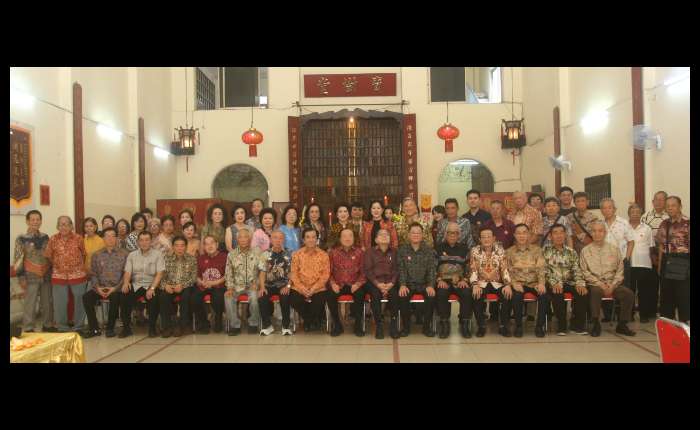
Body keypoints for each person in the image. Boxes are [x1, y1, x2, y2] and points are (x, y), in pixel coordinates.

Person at [579, 221, 636, 337]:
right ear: (591, 233)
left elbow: (620, 271)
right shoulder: (585, 251)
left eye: (600, 231)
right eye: (594, 231)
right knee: (595, 292)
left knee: (628, 294)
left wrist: (613, 285)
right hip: (595, 284)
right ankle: (595, 323)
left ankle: (622, 324)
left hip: (612, 284)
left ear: (605, 233)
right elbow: (584, 272)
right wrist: (600, 284)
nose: (597, 234)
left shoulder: (614, 249)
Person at [13, 210, 55, 333]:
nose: (35, 222)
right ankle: (28, 327)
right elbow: (18, 258)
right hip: (29, 275)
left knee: (47, 302)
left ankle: (47, 324)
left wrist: (52, 271)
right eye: (32, 219)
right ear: (27, 221)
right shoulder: (21, 238)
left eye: (38, 219)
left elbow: (50, 256)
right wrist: (21, 277)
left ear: (41, 221)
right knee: (30, 303)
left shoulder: (46, 237)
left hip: (46, 274)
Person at [81, 227, 128, 338]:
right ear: (103, 238)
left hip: (117, 288)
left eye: (113, 236)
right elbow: (94, 274)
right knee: (86, 297)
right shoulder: (96, 255)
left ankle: (110, 328)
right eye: (107, 236)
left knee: (116, 297)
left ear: (116, 238)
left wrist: (115, 288)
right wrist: (98, 288)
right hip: (101, 287)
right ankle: (94, 328)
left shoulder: (124, 254)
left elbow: (126, 274)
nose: (110, 239)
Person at [44, 216, 88, 334]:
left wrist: (76, 267)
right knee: (60, 302)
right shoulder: (53, 239)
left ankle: (78, 326)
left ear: (71, 226)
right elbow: (48, 256)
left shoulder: (78, 238)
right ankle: (62, 327)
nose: (64, 227)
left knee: (80, 301)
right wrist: (58, 265)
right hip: (59, 276)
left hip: (78, 275)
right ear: (57, 226)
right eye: (61, 224)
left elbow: (83, 254)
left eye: (66, 224)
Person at [543, 224, 589, 335]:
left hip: (569, 282)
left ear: (565, 235)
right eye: (555, 233)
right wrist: (554, 283)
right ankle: (561, 325)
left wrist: (580, 283)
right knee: (557, 293)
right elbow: (544, 271)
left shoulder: (571, 252)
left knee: (582, 292)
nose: (559, 235)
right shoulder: (545, 251)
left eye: (561, 232)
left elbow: (577, 269)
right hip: (553, 283)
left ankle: (577, 325)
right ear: (550, 236)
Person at [506, 224, 548, 338]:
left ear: (529, 234)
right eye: (518, 233)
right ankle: (518, 326)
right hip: (518, 283)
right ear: (514, 235)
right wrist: (513, 283)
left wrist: (541, 283)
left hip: (534, 283)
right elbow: (506, 271)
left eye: (524, 232)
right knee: (517, 296)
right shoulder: (509, 252)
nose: (522, 235)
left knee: (544, 295)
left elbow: (541, 268)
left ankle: (539, 326)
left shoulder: (537, 250)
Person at [469, 227, 512, 337]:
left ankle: (503, 326)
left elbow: (504, 268)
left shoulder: (500, 250)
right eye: (483, 237)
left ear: (494, 238)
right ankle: (481, 326)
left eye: (489, 236)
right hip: (481, 282)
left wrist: (507, 284)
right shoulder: (474, 251)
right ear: (480, 239)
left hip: (497, 283)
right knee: (476, 295)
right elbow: (473, 269)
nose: (486, 239)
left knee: (507, 295)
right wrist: (474, 284)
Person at [121, 231, 165, 337]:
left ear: (151, 241)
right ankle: (126, 328)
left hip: (152, 284)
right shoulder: (132, 255)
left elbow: (160, 273)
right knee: (124, 296)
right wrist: (126, 283)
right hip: (136, 284)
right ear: (138, 242)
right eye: (141, 240)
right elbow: (127, 271)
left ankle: (152, 328)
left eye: (147, 240)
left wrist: (152, 288)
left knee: (154, 298)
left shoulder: (158, 254)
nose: (144, 243)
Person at [435, 222, 474, 339]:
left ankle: (464, 322)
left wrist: (465, 280)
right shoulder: (438, 248)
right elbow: (432, 267)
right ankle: (444, 323)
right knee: (441, 293)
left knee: (467, 293)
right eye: (450, 233)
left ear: (459, 235)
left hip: (460, 281)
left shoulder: (464, 249)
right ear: (445, 234)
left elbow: (469, 268)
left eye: (455, 233)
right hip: (443, 280)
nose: (452, 235)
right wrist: (438, 280)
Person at [397, 223, 437, 337]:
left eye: (418, 233)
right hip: (408, 284)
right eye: (413, 233)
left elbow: (431, 269)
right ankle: (406, 328)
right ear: (409, 235)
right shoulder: (402, 250)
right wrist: (402, 284)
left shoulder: (428, 250)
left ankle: (426, 328)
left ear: (422, 235)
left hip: (424, 284)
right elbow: (401, 269)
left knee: (431, 296)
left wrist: (430, 285)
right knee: (402, 296)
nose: (416, 235)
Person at [656, 196, 690, 324]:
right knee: (666, 297)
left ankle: (685, 324)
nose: (670, 208)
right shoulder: (664, 224)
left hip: (683, 262)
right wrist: (660, 265)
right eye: (668, 206)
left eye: (673, 205)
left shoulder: (687, 223)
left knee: (683, 296)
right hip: (667, 261)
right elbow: (660, 246)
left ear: (680, 206)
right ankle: (668, 324)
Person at [327, 228, 366, 337]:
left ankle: (358, 325)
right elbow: (328, 272)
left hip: (354, 284)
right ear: (340, 239)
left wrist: (358, 284)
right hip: (338, 284)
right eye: (344, 236)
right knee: (330, 295)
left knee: (360, 294)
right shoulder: (333, 253)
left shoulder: (360, 252)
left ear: (354, 238)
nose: (347, 238)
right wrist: (333, 284)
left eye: (350, 236)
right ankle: (337, 325)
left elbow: (364, 272)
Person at [289, 227, 330, 332]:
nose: (311, 240)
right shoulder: (297, 254)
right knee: (294, 300)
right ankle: (311, 320)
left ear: (317, 239)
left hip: (318, 288)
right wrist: (302, 288)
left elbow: (325, 275)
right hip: (299, 287)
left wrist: (313, 289)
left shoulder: (324, 255)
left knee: (319, 301)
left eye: (313, 237)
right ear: (303, 240)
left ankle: (308, 321)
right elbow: (294, 274)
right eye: (308, 237)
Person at [600, 198, 635, 317]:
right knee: (606, 287)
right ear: (601, 210)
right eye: (604, 208)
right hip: (604, 263)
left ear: (614, 209)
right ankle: (608, 315)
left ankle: (623, 316)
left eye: (609, 207)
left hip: (621, 262)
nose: (606, 210)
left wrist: (627, 258)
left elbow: (631, 241)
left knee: (623, 289)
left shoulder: (623, 223)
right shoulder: (600, 224)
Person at [224, 228, 262, 335]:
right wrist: (230, 287)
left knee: (254, 298)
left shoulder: (257, 252)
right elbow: (228, 273)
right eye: (240, 237)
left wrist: (257, 283)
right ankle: (235, 325)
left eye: (246, 237)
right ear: (237, 240)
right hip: (236, 286)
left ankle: (253, 323)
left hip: (252, 285)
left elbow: (262, 271)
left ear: (250, 238)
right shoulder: (231, 254)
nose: (243, 239)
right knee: (228, 297)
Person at [364, 228, 400, 339]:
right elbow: (368, 271)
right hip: (375, 282)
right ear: (376, 240)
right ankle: (379, 325)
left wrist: (391, 283)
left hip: (390, 282)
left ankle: (393, 324)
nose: (384, 236)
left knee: (395, 295)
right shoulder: (369, 252)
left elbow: (397, 269)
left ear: (390, 239)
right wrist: (378, 284)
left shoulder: (394, 252)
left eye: (387, 235)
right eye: (381, 234)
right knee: (375, 295)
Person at [158, 235, 198, 337]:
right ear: (173, 247)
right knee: (163, 296)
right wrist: (165, 285)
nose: (180, 248)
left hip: (185, 286)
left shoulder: (192, 259)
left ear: (186, 246)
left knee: (186, 296)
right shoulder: (166, 259)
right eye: (177, 245)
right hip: (170, 285)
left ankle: (182, 325)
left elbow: (193, 278)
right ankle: (167, 327)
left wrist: (182, 285)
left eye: (182, 245)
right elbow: (160, 276)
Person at [258, 230, 293, 336]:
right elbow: (262, 272)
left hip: (284, 284)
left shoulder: (290, 253)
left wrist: (288, 286)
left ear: (284, 240)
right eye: (275, 238)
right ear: (271, 239)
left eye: (280, 238)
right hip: (269, 285)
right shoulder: (265, 254)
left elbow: (293, 273)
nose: (278, 240)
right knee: (262, 296)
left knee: (285, 297)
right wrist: (262, 287)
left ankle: (286, 326)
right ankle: (267, 326)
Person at [628, 204, 657, 323]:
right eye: (633, 212)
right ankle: (629, 315)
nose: (635, 214)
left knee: (644, 291)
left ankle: (644, 315)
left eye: (637, 212)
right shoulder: (624, 227)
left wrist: (654, 263)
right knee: (629, 291)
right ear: (629, 214)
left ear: (641, 214)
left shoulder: (647, 228)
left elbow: (651, 247)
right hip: (628, 264)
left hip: (644, 264)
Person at [193, 235, 228, 334]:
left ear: (217, 244)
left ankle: (218, 319)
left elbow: (228, 275)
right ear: (204, 247)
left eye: (212, 243)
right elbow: (195, 275)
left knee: (218, 297)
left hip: (219, 285)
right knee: (194, 298)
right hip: (203, 285)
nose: (210, 246)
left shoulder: (225, 257)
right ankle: (204, 322)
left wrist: (214, 283)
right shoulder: (200, 258)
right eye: (206, 244)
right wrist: (201, 282)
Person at [641, 190, 670, 273]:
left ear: (666, 201)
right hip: (649, 254)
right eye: (656, 200)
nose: (658, 202)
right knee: (650, 278)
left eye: (661, 200)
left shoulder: (670, 215)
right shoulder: (645, 216)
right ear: (653, 202)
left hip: (666, 254)